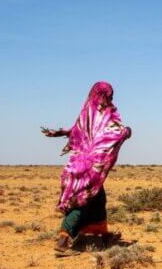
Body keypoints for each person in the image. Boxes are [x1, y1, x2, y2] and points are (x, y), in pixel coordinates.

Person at [42, 81, 131, 255]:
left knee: (98, 198)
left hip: (76, 166)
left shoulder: (86, 113)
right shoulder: (104, 115)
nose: (111, 98)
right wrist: (126, 131)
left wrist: (60, 132)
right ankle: (63, 241)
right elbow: (114, 132)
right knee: (82, 202)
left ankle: (104, 234)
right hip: (91, 170)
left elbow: (76, 131)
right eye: (110, 95)